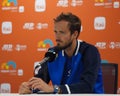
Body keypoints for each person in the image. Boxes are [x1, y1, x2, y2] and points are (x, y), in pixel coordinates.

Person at [19, 12, 104, 94]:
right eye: (55, 32)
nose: (57, 37)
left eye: (62, 32)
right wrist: (29, 87)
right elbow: (41, 81)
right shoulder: (52, 53)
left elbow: (87, 86)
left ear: (74, 34)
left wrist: (55, 89)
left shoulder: (90, 52)